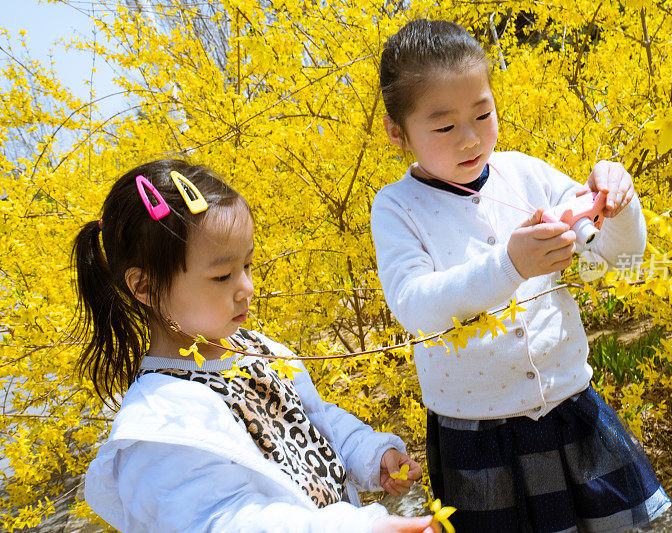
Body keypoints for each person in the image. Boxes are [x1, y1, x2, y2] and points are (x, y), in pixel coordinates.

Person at [372, 19, 671, 533]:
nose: (469, 139)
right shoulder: (398, 207)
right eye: (444, 127)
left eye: (483, 113)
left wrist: (616, 206)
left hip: (571, 407)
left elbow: (615, 258)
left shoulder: (525, 172)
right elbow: (414, 304)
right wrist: (509, 267)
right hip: (479, 434)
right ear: (398, 133)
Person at [74, 159, 437, 533]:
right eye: (222, 276)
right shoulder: (161, 421)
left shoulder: (252, 348)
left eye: (247, 265)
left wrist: (371, 455)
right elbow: (223, 521)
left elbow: (312, 422)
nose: (246, 287)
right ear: (144, 287)